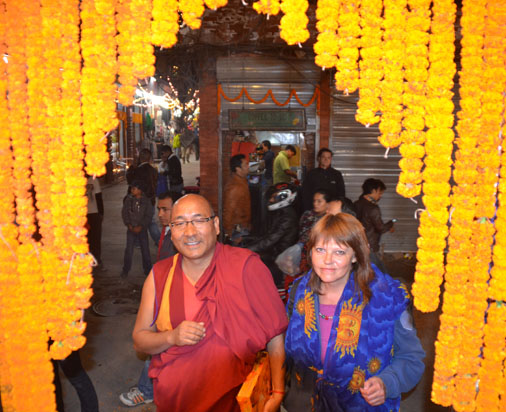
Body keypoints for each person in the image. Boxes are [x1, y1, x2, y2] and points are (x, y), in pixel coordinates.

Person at [132, 194, 288, 412]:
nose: (189, 232)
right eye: (179, 223)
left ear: (215, 225)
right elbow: (140, 341)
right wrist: (171, 337)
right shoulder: (160, 275)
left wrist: (278, 391)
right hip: (175, 402)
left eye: (198, 220)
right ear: (171, 231)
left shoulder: (245, 267)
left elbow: (275, 333)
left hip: (234, 402)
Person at [283, 214, 425, 411]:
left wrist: (387, 382)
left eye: (339, 252)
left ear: (356, 255)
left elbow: (412, 358)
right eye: (320, 249)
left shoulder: (388, 298)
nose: (327, 260)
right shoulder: (299, 293)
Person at [119, 191, 180, 407]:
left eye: (165, 210)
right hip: (162, 295)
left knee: (157, 346)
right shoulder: (167, 231)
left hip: (170, 301)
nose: (160, 214)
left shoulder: (180, 239)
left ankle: (146, 390)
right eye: (159, 209)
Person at [245, 183, 299, 286]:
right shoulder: (280, 213)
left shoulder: (288, 217)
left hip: (279, 256)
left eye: (274, 197)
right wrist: (247, 240)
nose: (270, 200)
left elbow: (270, 240)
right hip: (274, 252)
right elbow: (267, 235)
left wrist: (246, 249)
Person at [354, 178, 394, 272]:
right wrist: (391, 223)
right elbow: (381, 228)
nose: (380, 196)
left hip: (357, 243)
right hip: (370, 245)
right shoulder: (373, 208)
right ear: (373, 191)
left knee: (362, 268)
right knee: (379, 270)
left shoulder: (356, 204)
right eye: (380, 193)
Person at [126, 148, 160, 245]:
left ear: (140, 157)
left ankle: (154, 240)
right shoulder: (153, 170)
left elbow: (130, 182)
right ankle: (156, 240)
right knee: (149, 220)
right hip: (151, 199)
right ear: (149, 158)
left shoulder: (137, 171)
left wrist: (131, 168)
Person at [120, 180, 154, 278]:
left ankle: (148, 269)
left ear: (140, 190)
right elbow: (124, 213)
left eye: (134, 188)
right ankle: (125, 270)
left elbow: (148, 215)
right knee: (129, 250)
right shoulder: (128, 200)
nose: (132, 190)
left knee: (145, 249)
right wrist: (129, 225)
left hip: (142, 230)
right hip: (131, 229)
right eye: (131, 188)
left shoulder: (146, 201)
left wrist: (141, 226)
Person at [298, 189, 331, 274]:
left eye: (319, 201)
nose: (315, 204)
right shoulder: (307, 214)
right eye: (314, 201)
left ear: (328, 204)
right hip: (303, 251)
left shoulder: (329, 219)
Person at [302, 147, 346, 212]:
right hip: (315, 209)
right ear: (319, 158)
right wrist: (308, 210)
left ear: (331, 159)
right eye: (323, 157)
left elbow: (341, 194)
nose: (326, 159)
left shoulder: (337, 174)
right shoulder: (311, 174)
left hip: (331, 210)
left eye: (329, 158)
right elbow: (305, 194)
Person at [223, 154, 251, 238]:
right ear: (238, 169)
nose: (248, 167)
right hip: (238, 230)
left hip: (244, 226)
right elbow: (228, 213)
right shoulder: (234, 187)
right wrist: (229, 233)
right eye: (245, 165)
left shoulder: (242, 181)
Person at [86, 175, 104, 270]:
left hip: (92, 213)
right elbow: (98, 197)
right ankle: (90, 262)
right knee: (89, 239)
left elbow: (98, 197)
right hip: (84, 215)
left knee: (93, 239)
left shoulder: (93, 180)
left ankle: (95, 261)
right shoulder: (74, 180)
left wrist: (101, 213)